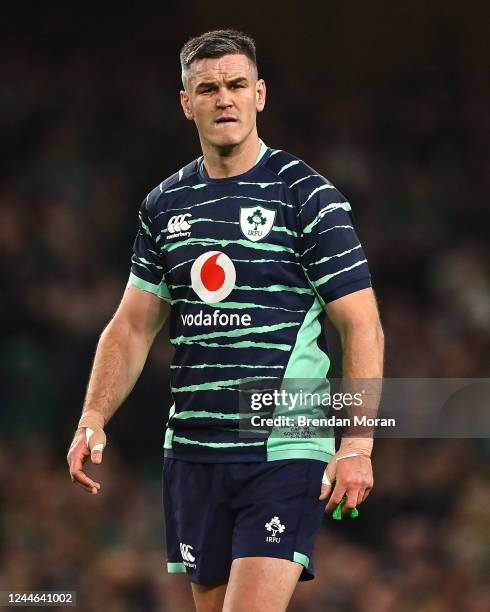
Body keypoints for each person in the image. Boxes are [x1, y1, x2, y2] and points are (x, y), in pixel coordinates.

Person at [67, 29, 384, 612]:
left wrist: (357, 442)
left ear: (259, 94)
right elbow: (133, 325)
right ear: (187, 103)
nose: (224, 99)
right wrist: (93, 414)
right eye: (207, 88)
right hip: (192, 451)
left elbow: (361, 325)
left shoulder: (306, 197)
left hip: (283, 447)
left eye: (237, 84)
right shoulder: (164, 205)